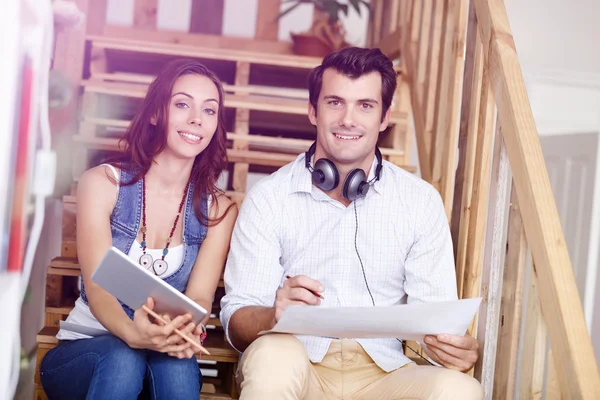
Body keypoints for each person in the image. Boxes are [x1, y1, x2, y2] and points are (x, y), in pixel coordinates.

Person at [220, 47, 484, 399]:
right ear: (313, 111)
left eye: (365, 105)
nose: (348, 119)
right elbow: (237, 323)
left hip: (383, 374)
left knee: (459, 389)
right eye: (335, 102)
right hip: (296, 363)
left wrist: (454, 350)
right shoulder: (268, 198)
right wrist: (272, 316)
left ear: (385, 116)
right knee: (271, 356)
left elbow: (434, 320)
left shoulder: (420, 201)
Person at [40, 59, 238, 400]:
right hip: (85, 354)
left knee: (176, 367)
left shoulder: (219, 209)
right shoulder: (102, 184)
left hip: (163, 349)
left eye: (209, 110)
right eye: (182, 104)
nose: (196, 119)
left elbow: (200, 298)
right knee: (124, 358)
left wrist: (182, 330)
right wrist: (134, 334)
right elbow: (100, 288)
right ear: (155, 113)